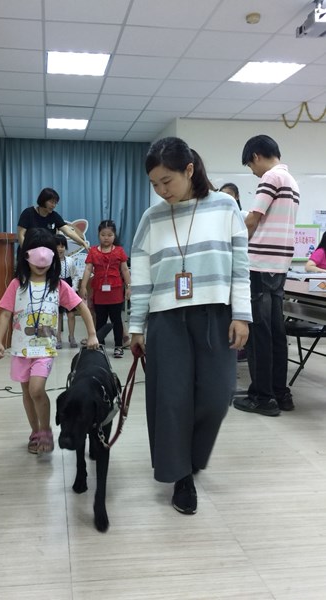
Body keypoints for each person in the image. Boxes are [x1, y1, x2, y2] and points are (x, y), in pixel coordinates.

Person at [129, 137, 251, 515]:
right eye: (154, 184)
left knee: (218, 396)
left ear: (189, 170)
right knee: (171, 401)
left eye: (167, 181)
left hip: (216, 315)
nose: (161, 190)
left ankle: (192, 456)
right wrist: (136, 327)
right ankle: (180, 477)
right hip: (167, 320)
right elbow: (142, 277)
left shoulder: (225, 206)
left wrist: (242, 314)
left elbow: (240, 268)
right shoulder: (151, 218)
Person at [0, 228, 99, 455]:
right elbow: (4, 314)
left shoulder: (58, 286)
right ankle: (35, 431)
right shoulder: (16, 285)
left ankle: (46, 430)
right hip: (21, 350)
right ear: (25, 257)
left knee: (36, 389)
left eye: (46, 258)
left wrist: (92, 334)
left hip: (44, 349)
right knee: (27, 392)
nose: (41, 264)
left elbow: (81, 306)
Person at [233, 135, 300, 416]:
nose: (252, 171)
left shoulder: (270, 178)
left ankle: (262, 398)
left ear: (257, 156)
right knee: (275, 333)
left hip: (259, 266)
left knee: (259, 335)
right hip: (280, 266)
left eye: (250, 165)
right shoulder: (292, 181)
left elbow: (252, 219)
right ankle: (280, 393)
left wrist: (233, 245)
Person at [80, 220, 131, 358]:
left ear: (114, 236)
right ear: (98, 235)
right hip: (99, 291)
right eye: (103, 234)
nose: (106, 237)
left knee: (117, 320)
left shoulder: (119, 251)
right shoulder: (93, 251)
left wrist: (129, 287)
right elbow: (88, 269)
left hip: (115, 291)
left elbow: (125, 270)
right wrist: (83, 286)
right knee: (100, 319)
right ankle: (100, 345)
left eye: (109, 234)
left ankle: (118, 346)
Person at [219, 183, 248, 363]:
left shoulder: (244, 216)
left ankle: (241, 348)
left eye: (229, 195)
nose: (225, 198)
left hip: (240, 268)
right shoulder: (217, 217)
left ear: (236, 197)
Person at [17, 187, 89, 250]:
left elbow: (68, 231)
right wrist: (26, 252)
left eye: (55, 203)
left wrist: (83, 242)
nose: (53, 205)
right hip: (28, 252)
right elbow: (21, 235)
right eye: (51, 202)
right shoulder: (28, 213)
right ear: (43, 200)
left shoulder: (54, 216)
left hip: (46, 254)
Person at [55, 233, 80, 348]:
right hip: (56, 290)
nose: (60, 249)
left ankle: (72, 336)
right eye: (57, 246)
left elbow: (75, 275)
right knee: (58, 315)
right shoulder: (51, 262)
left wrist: (73, 288)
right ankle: (58, 338)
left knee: (71, 314)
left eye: (62, 246)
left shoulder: (70, 261)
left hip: (69, 289)